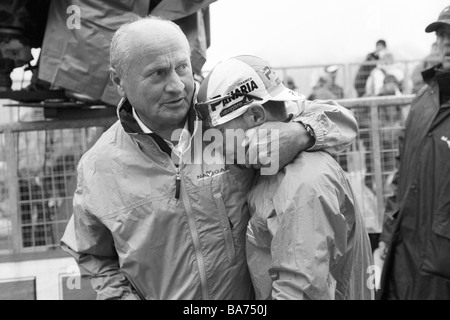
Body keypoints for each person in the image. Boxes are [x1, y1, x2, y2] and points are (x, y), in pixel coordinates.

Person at [60, 16, 358, 300]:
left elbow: (339, 120)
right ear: (118, 79)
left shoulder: (225, 113)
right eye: (158, 73)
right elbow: (92, 255)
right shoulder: (98, 167)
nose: (177, 86)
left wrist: (300, 132)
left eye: (183, 68)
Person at [196, 55, 374, 300]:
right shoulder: (273, 162)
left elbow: (299, 292)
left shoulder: (302, 184)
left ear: (256, 117)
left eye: (219, 133)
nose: (216, 147)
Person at [377, 5, 450, 300]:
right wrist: (386, 234)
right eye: (442, 35)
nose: (446, 42)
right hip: (403, 258)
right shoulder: (424, 98)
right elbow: (401, 174)